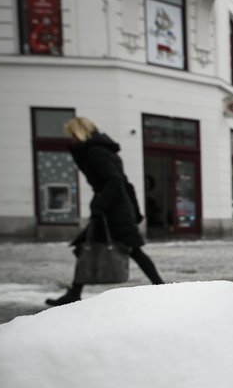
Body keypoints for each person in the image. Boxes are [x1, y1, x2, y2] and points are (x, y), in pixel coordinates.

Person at [45, 117, 164, 306]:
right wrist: (134, 209)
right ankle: (75, 292)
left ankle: (162, 288)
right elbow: (124, 183)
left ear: (80, 133)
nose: (71, 140)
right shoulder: (99, 150)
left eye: (73, 135)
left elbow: (116, 182)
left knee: (132, 250)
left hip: (112, 210)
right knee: (85, 247)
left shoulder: (96, 152)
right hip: (113, 207)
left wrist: (101, 205)